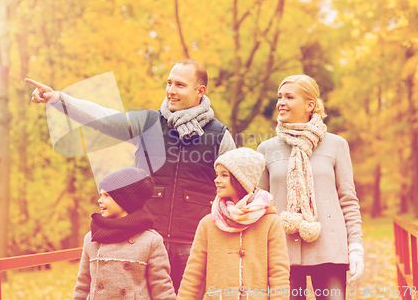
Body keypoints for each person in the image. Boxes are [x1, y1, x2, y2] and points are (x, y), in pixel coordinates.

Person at [26, 59, 236, 292]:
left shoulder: (219, 136)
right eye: (168, 83)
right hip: (145, 241)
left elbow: (235, 191)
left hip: (195, 244)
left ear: (200, 91)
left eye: (179, 85)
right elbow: (104, 118)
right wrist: (59, 99)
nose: (171, 90)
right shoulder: (148, 123)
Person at [256, 75, 364, 300]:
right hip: (282, 252)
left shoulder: (336, 145)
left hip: (330, 249)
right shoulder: (266, 149)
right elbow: (260, 206)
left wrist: (355, 247)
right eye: (279, 97)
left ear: (310, 105)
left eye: (289, 97)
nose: (281, 102)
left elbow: (348, 200)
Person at [177, 148, 290, 300]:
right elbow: (192, 275)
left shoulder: (270, 222)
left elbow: (279, 275)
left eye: (224, 175)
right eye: (217, 174)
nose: (216, 180)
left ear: (241, 180)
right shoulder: (208, 224)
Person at [73, 167, 176, 300]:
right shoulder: (92, 237)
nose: (100, 200)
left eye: (106, 195)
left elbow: (161, 288)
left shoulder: (150, 241)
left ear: (124, 200)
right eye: (100, 195)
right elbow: (82, 285)